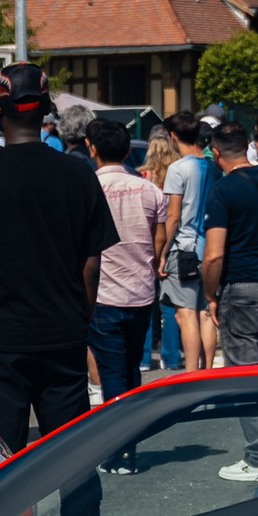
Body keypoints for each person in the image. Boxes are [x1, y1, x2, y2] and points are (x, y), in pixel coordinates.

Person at [0, 68, 120, 461]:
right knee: (74, 459)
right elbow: (91, 266)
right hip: (62, 336)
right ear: (45, 112)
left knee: (0, 466)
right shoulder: (80, 176)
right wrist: (79, 321)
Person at [202, 123, 258, 478]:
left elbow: (214, 255)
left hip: (242, 287)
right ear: (249, 147)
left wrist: (210, 295)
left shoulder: (223, 191)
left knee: (243, 376)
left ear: (216, 153)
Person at [81, 116, 167, 408]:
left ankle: (121, 447)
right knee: (131, 370)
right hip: (141, 292)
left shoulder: (86, 189)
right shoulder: (148, 189)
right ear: (128, 151)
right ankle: (130, 442)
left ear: (91, 148)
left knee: (114, 375)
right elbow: (159, 241)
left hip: (103, 296)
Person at [156, 114, 220, 371]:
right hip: (211, 246)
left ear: (173, 136)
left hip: (184, 248)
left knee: (185, 314)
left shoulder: (178, 168)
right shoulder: (213, 167)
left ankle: (191, 373)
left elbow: (173, 216)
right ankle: (207, 370)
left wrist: (162, 252)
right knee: (206, 312)